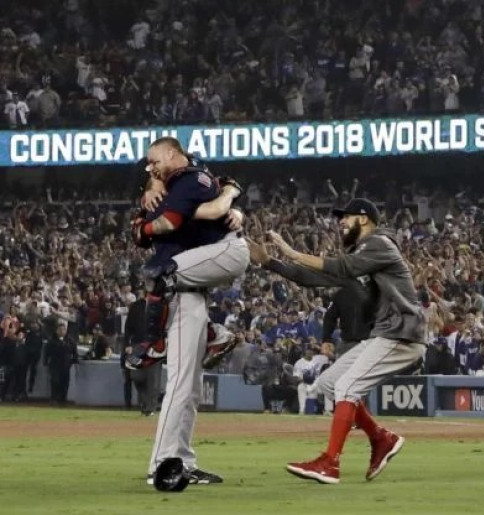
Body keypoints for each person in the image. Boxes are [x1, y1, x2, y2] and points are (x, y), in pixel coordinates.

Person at [267, 197, 427, 485]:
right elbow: (312, 278)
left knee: (346, 387)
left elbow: (339, 268)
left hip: (402, 331)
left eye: (347, 216)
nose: (341, 222)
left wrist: (292, 251)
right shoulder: (363, 257)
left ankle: (330, 463)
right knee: (329, 384)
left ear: (364, 219)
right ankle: (380, 439)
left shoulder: (379, 243)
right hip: (385, 332)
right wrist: (269, 261)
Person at [131, 137, 250, 487]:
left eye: (154, 162)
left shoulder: (189, 180)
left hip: (201, 270)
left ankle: (175, 460)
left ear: (171, 154)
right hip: (184, 289)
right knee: (186, 383)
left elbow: (181, 217)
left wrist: (229, 199)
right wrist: (152, 187)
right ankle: (170, 463)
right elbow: (168, 218)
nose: (149, 168)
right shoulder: (168, 183)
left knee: (190, 386)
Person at [247, 236, 375, 415]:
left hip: (375, 341)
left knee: (353, 382)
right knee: (341, 383)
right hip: (350, 343)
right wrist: (270, 262)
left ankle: (359, 417)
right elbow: (305, 277)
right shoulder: (346, 284)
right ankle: (356, 418)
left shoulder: (381, 280)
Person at [44, 321, 77, 405]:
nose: (62, 331)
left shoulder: (70, 340)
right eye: (60, 329)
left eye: (63, 329)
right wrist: (46, 362)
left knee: (65, 382)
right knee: (55, 381)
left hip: (66, 365)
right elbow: (46, 352)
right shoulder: (52, 340)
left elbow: (74, 353)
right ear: (56, 330)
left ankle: (63, 398)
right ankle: (54, 398)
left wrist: (72, 361)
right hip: (55, 364)